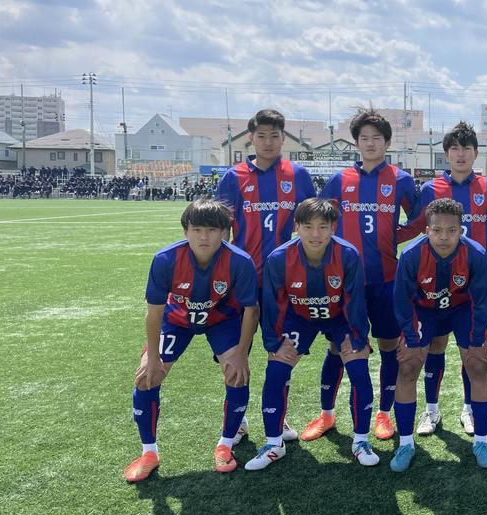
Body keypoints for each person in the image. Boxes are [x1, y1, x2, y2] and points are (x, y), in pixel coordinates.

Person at [123, 199, 258, 482]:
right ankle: (149, 453)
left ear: (224, 232)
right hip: (177, 320)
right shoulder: (166, 259)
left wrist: (241, 354)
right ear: (186, 231)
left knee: (237, 375)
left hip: (222, 319)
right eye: (197, 229)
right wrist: (153, 358)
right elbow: (154, 312)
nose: (204, 237)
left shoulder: (240, 261)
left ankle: (225, 445)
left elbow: (251, 311)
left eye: (212, 230)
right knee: (147, 378)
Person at [245, 198, 377, 470]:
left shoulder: (348, 254)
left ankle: (361, 441)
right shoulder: (279, 258)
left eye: (322, 227)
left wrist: (356, 337)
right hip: (299, 319)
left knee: (359, 369)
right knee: (276, 372)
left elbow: (355, 300)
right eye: (308, 226)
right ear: (296, 227)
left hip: (339, 319)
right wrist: (274, 342)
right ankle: (274, 444)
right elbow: (272, 304)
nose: (315, 234)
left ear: (333, 228)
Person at [396, 121, 487, 437]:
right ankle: (431, 411)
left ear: (476, 153)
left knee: (470, 351)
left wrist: (482, 238)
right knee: (435, 345)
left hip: (470, 286)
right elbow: (416, 225)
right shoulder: (430, 189)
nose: (460, 154)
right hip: (432, 283)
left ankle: (469, 409)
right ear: (446, 154)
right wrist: (382, 239)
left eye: (466, 149)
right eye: (455, 149)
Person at [313, 108, 418, 441]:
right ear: (357, 143)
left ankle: (383, 414)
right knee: (337, 347)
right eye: (364, 138)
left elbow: (417, 220)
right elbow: (319, 218)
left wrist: (392, 238)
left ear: (387, 142)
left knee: (389, 346)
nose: (370, 144)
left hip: (386, 280)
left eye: (377, 138)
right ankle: (326, 415)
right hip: (346, 282)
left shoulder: (401, 179)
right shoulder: (340, 179)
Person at [215, 108, 318, 442]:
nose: (268, 142)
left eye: (275, 136)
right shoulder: (233, 177)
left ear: (283, 138)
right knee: (236, 352)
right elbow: (221, 230)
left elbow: (312, 225)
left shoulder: (298, 175)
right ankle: (237, 419)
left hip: (284, 282)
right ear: (251, 139)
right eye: (261, 136)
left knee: (282, 352)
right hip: (242, 281)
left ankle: (279, 418)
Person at [391, 199, 487, 471]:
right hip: (424, 310)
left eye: (451, 230)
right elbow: (402, 301)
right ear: (427, 230)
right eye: (437, 230)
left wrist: (477, 341)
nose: (444, 237)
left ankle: (481, 441)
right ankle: (406, 443)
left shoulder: (476, 254)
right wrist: (411, 340)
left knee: (477, 364)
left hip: (462, 310)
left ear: (461, 231)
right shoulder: (411, 254)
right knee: (408, 366)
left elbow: (482, 302)